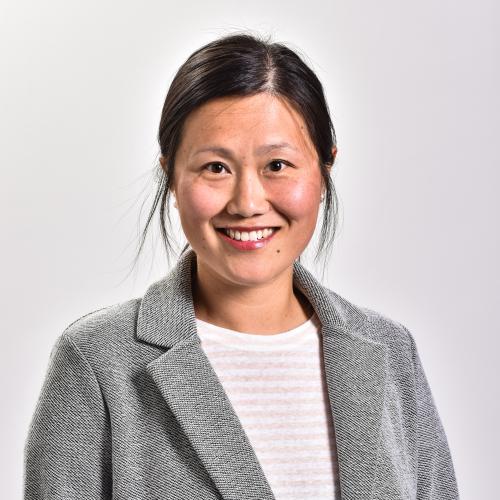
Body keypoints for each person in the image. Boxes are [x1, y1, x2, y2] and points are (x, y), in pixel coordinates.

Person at [23, 33, 460, 500]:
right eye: (215, 167)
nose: (248, 203)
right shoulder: (96, 362)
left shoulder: (390, 351)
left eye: (278, 165)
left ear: (324, 170)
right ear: (171, 177)